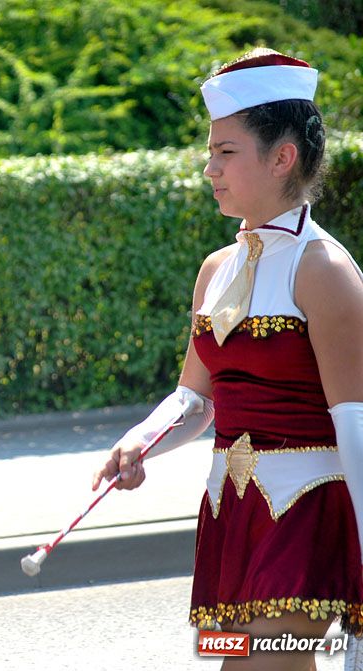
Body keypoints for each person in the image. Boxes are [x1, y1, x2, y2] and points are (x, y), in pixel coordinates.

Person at [92, 48, 363, 669]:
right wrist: (140, 443)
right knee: (238, 662)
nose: (208, 166)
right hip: (231, 510)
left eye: (226, 151)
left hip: (306, 510)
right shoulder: (215, 269)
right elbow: (195, 400)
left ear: (282, 157)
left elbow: (356, 423)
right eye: (210, 150)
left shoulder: (323, 270)